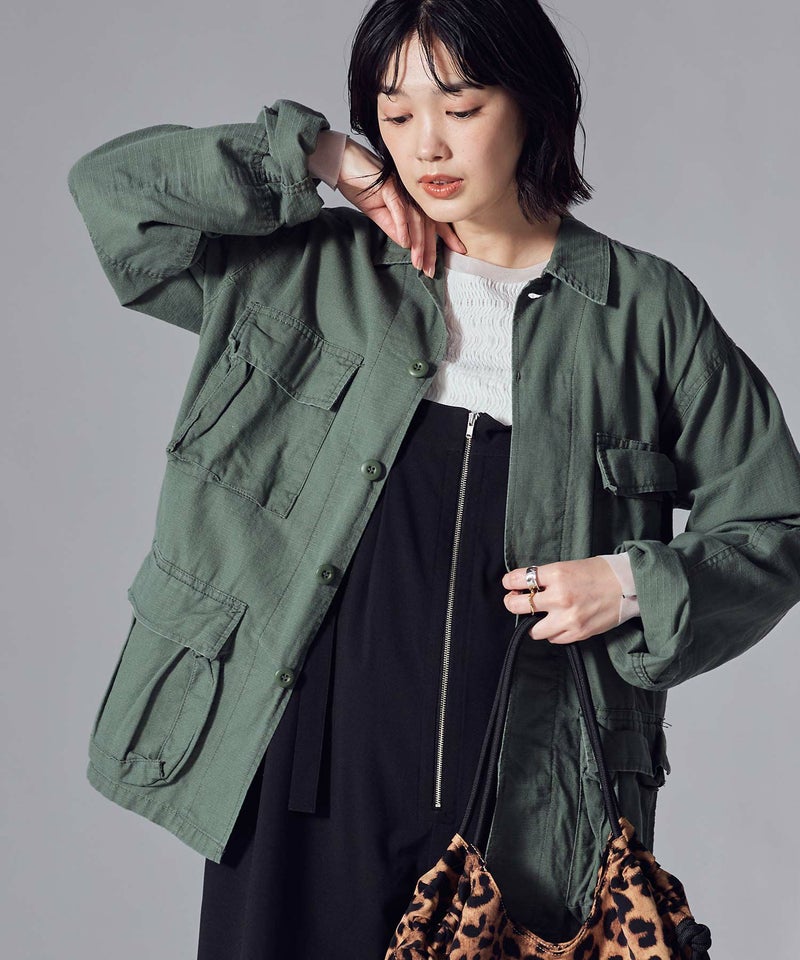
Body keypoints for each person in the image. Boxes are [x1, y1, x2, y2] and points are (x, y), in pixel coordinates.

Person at [66, 1, 800, 957]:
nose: (426, 145)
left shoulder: (643, 311)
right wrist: (317, 155)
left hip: (529, 803)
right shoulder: (305, 269)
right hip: (301, 777)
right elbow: (115, 197)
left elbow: (777, 523)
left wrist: (630, 584)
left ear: (532, 103)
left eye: (460, 106)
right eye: (395, 113)